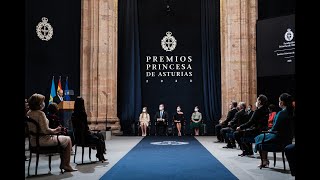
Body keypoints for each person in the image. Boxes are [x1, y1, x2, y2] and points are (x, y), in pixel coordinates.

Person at [26, 93, 77, 172]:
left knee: (64, 139)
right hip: (43, 140)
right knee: (68, 139)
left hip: (33, 141)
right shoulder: (40, 114)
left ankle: (64, 163)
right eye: (42, 102)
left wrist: (54, 130)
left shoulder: (29, 113)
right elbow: (45, 130)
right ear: (38, 104)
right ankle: (66, 165)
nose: (43, 103)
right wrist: (55, 130)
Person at [254, 93, 294, 168]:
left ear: (281, 102)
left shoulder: (281, 113)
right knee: (261, 138)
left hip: (278, 138)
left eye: (279, 101)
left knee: (259, 138)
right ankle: (264, 160)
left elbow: (275, 127)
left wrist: (270, 130)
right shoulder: (291, 112)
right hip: (288, 139)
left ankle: (264, 160)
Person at [71, 96, 106, 162]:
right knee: (99, 140)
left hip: (78, 137)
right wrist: (89, 132)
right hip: (84, 137)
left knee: (100, 135)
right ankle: (100, 155)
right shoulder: (82, 114)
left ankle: (101, 154)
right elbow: (83, 128)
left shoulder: (73, 114)